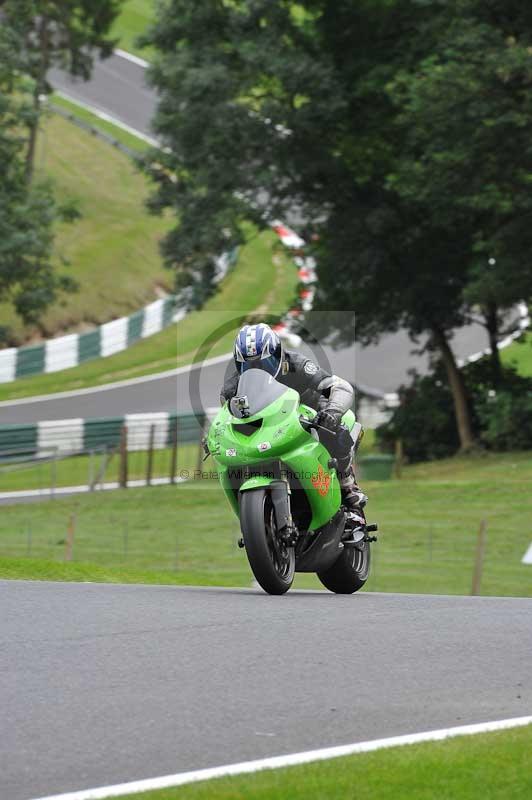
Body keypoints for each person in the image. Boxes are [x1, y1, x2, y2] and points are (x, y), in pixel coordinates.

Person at [220, 323, 367, 524]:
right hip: (271, 423)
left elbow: (338, 386)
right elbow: (228, 416)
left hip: (309, 410)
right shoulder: (232, 387)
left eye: (264, 363)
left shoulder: (297, 364)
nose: (257, 369)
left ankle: (347, 484)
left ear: (278, 354)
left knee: (334, 429)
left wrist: (331, 412)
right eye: (248, 365)